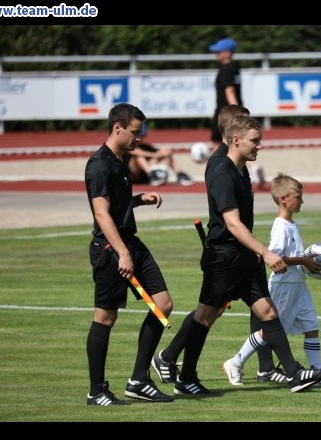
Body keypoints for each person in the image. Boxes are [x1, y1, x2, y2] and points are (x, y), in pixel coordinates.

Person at [156, 114, 321, 395]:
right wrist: (264, 252)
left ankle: (294, 375)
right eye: (255, 140)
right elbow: (232, 223)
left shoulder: (241, 170)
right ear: (236, 140)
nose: (259, 145)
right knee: (204, 318)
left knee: (268, 312)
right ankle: (185, 378)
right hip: (224, 258)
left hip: (243, 258)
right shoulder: (222, 173)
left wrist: (254, 254)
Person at [150, 103, 252, 383]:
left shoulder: (236, 161)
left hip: (235, 249)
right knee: (208, 311)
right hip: (224, 249)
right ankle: (169, 358)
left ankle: (169, 357)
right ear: (233, 130)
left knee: (214, 310)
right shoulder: (221, 163)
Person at [84, 103, 174, 405]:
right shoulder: (98, 164)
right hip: (110, 247)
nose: (140, 138)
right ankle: (96, 390)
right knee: (105, 317)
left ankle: (138, 380)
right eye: (135, 133)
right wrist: (122, 252)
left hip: (130, 242)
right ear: (117, 128)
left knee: (163, 305)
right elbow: (102, 213)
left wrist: (138, 200)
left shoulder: (122, 160)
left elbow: (117, 204)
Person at [222, 173, 321, 387]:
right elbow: (276, 259)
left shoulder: (292, 224)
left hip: (299, 285)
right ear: (283, 199)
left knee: (312, 326)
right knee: (269, 332)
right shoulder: (280, 225)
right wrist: (304, 260)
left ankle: (318, 373)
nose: (302, 201)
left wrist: (304, 262)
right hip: (283, 286)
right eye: (298, 197)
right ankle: (235, 362)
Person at [208, 37, 266, 190]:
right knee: (236, 143)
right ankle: (254, 167)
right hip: (228, 109)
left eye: (219, 51)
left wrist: (235, 112)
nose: (216, 54)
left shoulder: (226, 69)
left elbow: (229, 90)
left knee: (219, 144)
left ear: (227, 53)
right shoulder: (235, 67)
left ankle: (217, 172)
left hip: (225, 111)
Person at [128, 123, 194, 187]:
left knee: (164, 152)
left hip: (145, 177)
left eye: (141, 136)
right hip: (133, 176)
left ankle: (179, 173)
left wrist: (165, 152)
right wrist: (155, 155)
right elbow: (135, 152)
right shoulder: (127, 146)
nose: (139, 138)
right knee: (138, 157)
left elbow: (163, 152)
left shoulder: (146, 147)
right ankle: (152, 174)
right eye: (137, 135)